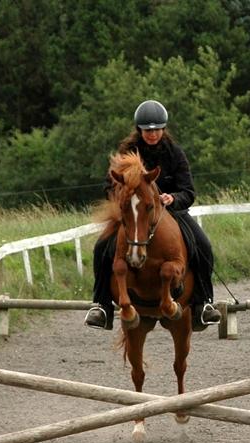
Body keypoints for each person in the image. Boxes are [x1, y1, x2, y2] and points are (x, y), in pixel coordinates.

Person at [84, 99, 221, 331]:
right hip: (133, 213)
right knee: (101, 248)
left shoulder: (175, 154)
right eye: (148, 130)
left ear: (163, 129)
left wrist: (172, 198)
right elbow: (110, 184)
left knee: (203, 245)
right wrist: (122, 199)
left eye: (156, 129)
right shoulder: (127, 152)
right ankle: (102, 305)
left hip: (169, 212)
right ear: (140, 130)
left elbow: (188, 191)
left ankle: (204, 303)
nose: (152, 134)